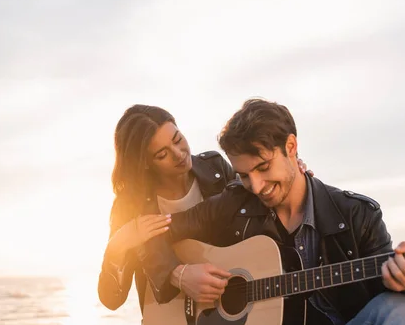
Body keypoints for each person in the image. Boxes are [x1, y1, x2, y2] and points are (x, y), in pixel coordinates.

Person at [140, 99, 405, 325]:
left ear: (291, 147)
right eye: (244, 175)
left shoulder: (356, 214)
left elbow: (380, 307)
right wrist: (179, 274)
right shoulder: (234, 203)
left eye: (263, 167)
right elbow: (151, 234)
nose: (256, 186)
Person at [97, 103, 313, 312]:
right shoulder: (129, 205)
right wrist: (117, 247)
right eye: (162, 154)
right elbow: (111, 300)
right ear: (144, 162)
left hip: (234, 313)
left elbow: (255, 199)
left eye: (178, 139)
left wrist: (290, 172)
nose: (179, 154)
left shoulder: (215, 167)